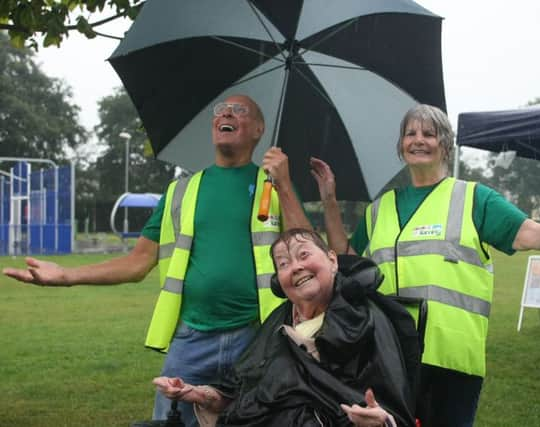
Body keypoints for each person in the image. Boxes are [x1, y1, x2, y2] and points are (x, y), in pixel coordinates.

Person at [309, 104, 540, 427]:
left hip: (451, 360)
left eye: (429, 133)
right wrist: (329, 200)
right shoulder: (381, 208)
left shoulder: (475, 199)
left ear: (446, 145)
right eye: (410, 133)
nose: (418, 139)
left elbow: (533, 236)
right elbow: (347, 255)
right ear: (400, 146)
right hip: (387, 355)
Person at [2, 95, 311, 427]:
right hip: (191, 339)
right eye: (219, 110)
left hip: (257, 338)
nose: (225, 113)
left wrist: (284, 185)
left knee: (261, 421)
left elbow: (308, 250)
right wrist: (67, 275)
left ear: (258, 130)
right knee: (169, 422)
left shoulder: (273, 187)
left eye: (239, 110)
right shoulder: (181, 191)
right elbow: (137, 263)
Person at [153, 228, 418, 427]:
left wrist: (379, 420)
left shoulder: (367, 320)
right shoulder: (278, 323)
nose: (296, 267)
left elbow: (391, 409)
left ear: (333, 260)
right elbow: (241, 392)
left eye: (304, 255)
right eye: (283, 264)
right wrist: (199, 393)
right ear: (279, 282)